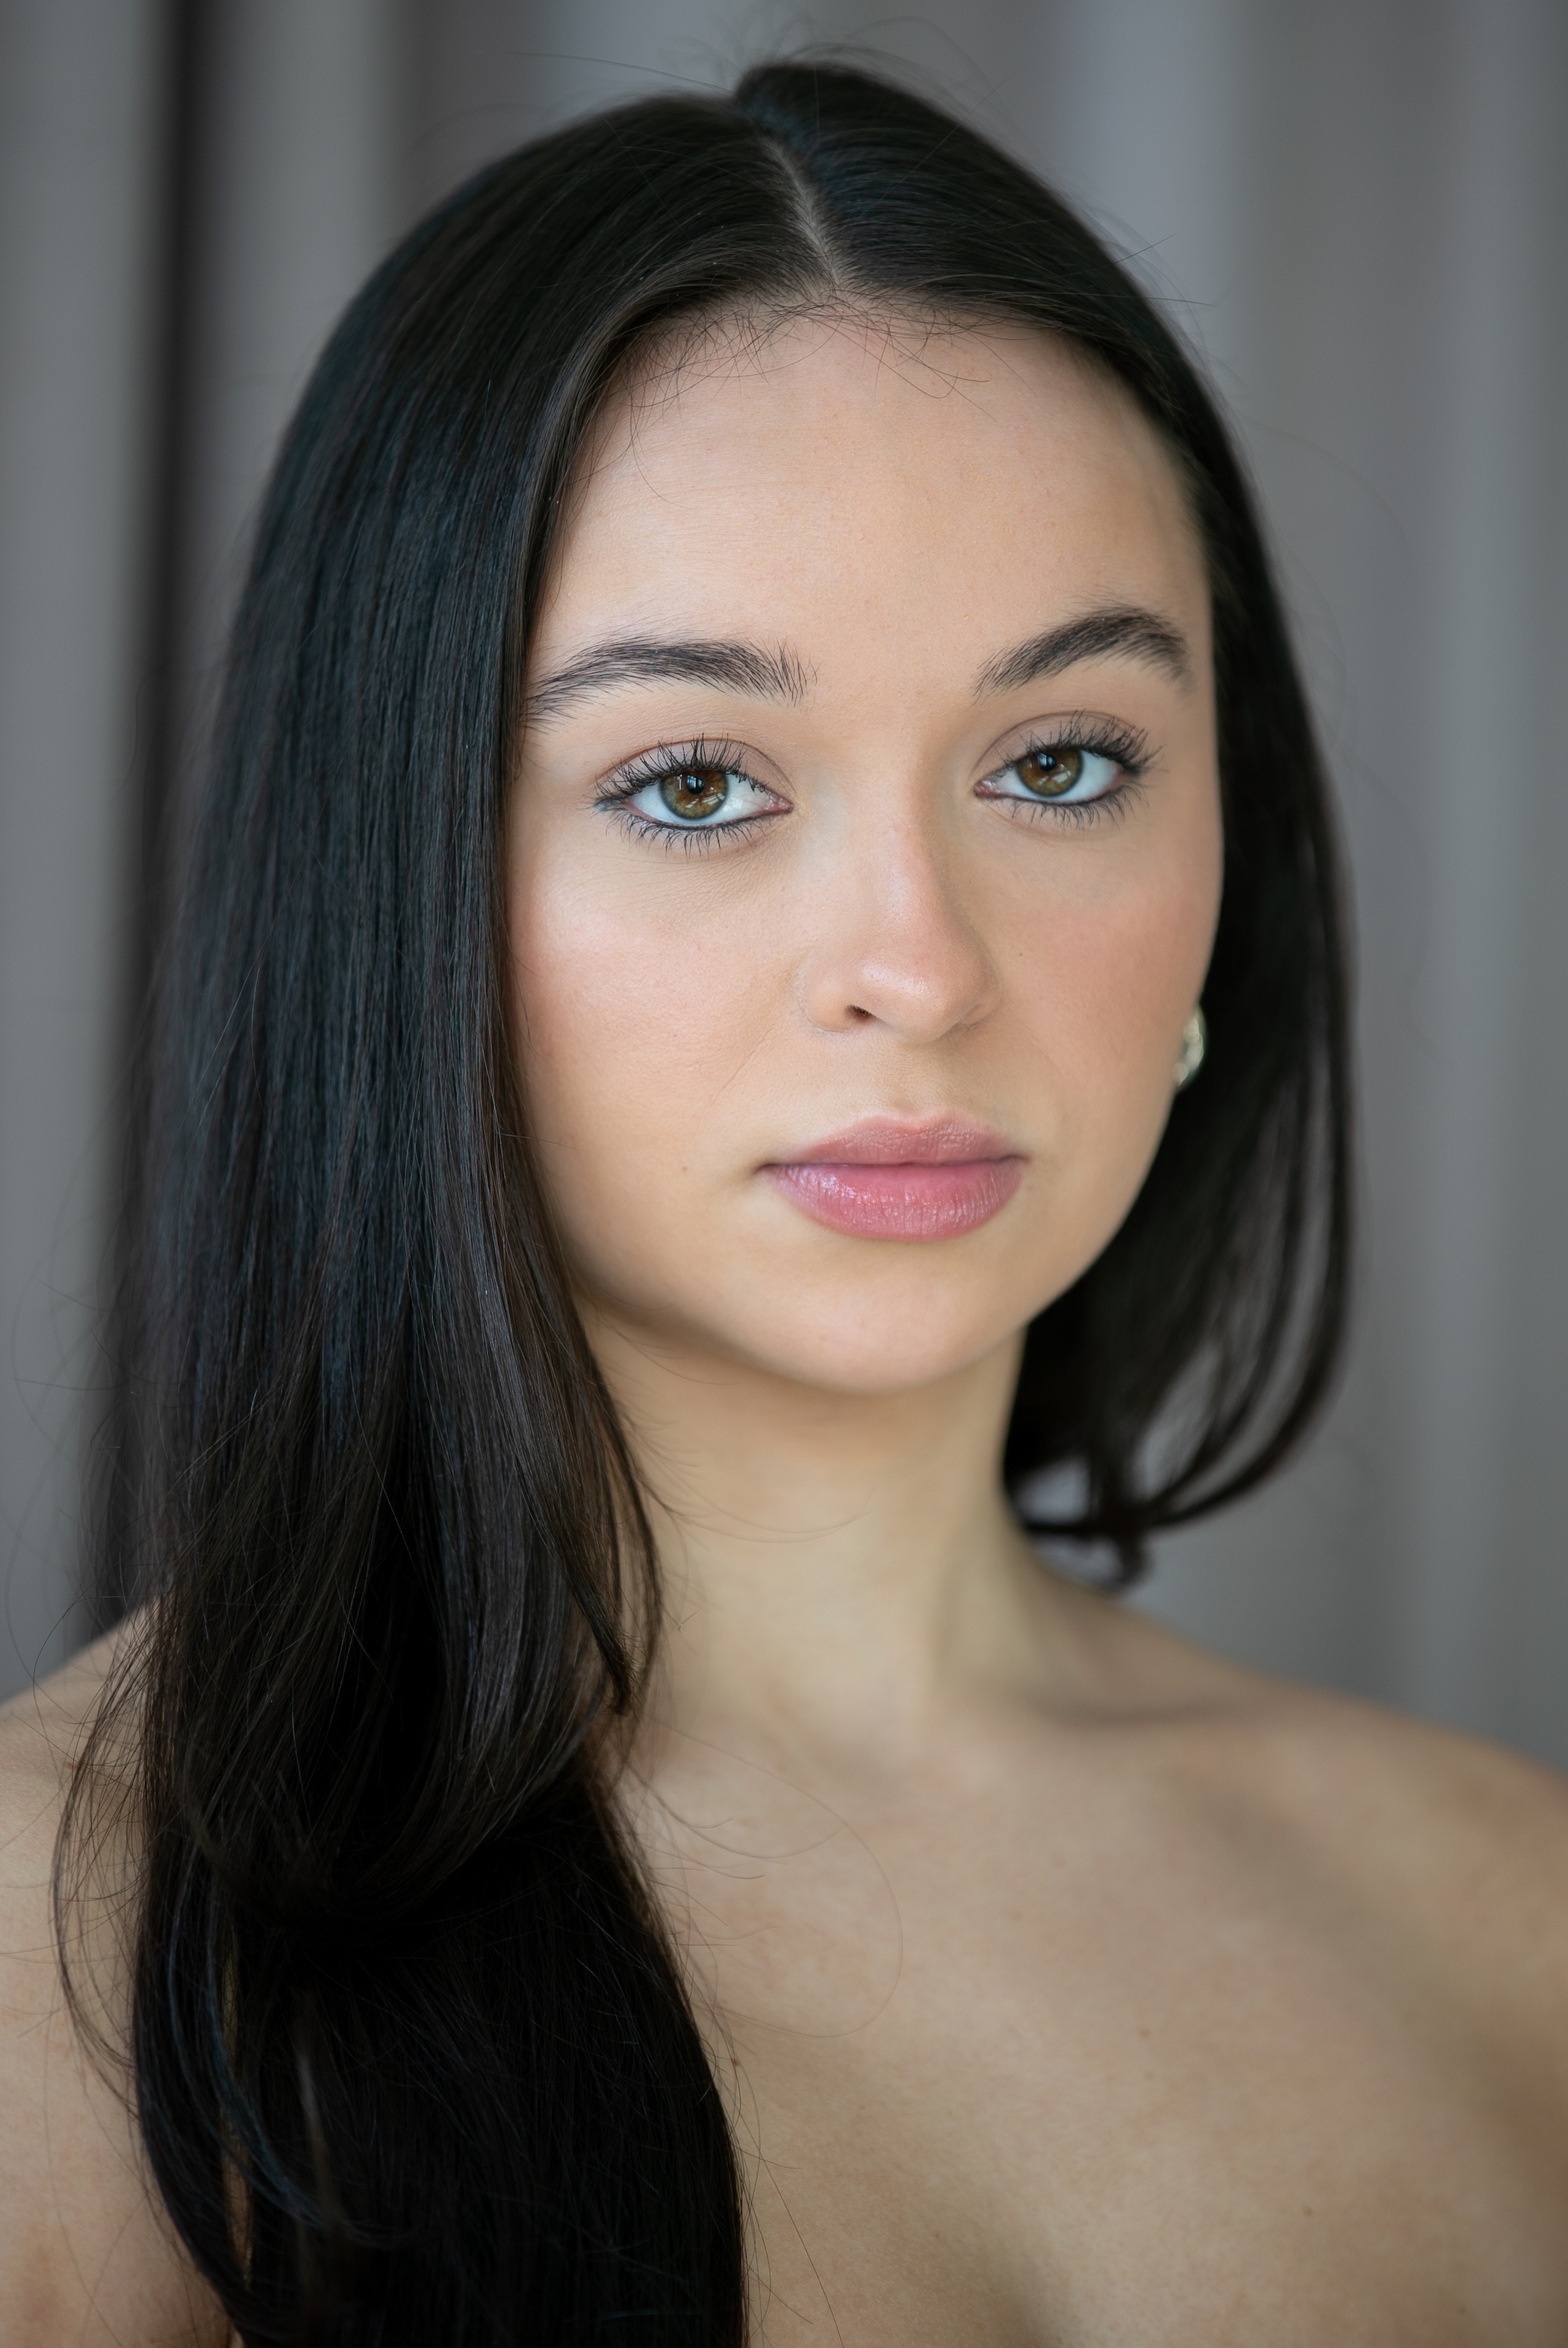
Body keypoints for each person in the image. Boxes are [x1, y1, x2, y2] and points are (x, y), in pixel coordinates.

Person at [3, 58, 1567, 2348]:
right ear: (394, 885)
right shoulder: (57, 1982)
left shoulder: (1507, 1917)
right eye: (696, 780)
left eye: (1060, 763)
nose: (915, 968)